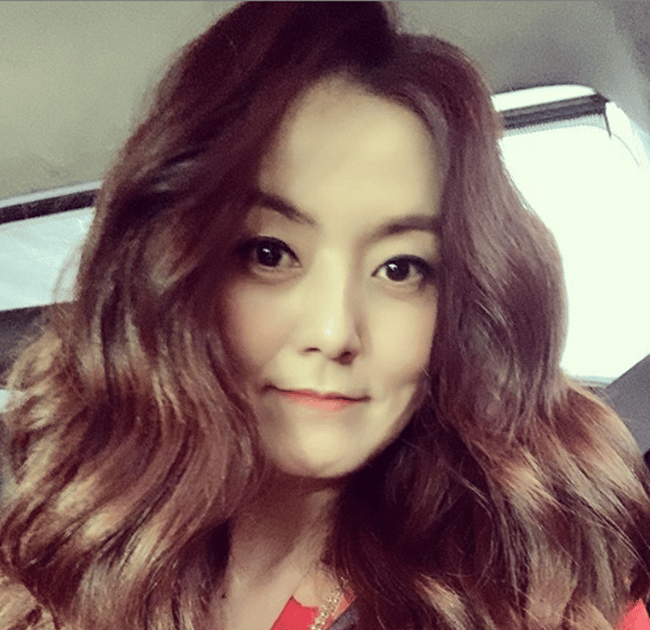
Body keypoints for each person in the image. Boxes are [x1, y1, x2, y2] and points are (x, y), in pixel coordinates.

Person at [1, 3, 649, 630]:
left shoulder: (551, 589)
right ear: (170, 276)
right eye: (269, 253)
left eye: (400, 268)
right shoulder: (55, 558)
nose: (335, 332)